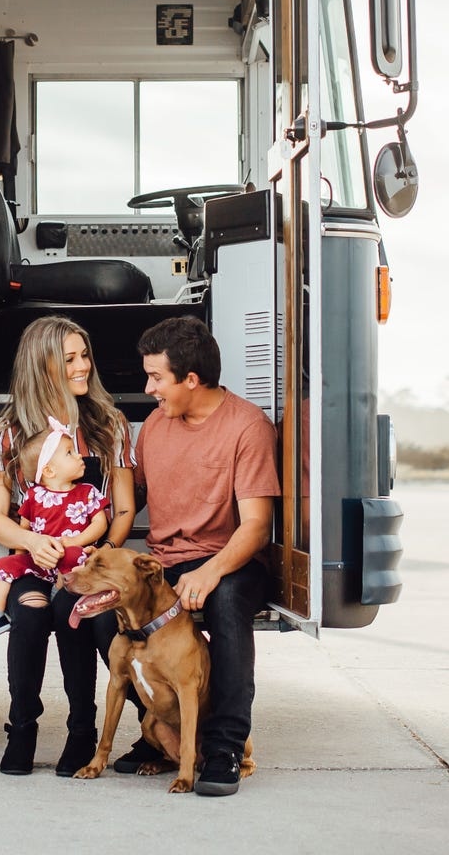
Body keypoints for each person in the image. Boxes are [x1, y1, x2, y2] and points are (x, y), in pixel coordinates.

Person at [122, 315, 279, 797]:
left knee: (227, 604)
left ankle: (226, 745)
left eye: (156, 378)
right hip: (166, 563)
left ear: (191, 380)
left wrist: (210, 573)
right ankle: (161, 728)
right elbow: (135, 498)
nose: (149, 389)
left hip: (229, 559)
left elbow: (256, 525)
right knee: (90, 611)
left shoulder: (246, 426)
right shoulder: (155, 424)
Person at [0, 315, 135, 777]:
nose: (82, 366)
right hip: (34, 562)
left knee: (77, 612)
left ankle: (82, 731)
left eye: (84, 355)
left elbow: (123, 511)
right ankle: (22, 728)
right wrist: (35, 541)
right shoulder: (11, 432)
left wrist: (98, 552)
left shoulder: (109, 425)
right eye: (69, 359)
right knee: (29, 615)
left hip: (89, 562)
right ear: (42, 367)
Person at [0, 419, 109, 645]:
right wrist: (19, 558)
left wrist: (75, 541)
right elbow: (24, 530)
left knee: (76, 556)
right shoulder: (34, 495)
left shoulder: (87, 492)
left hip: (70, 559)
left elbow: (99, 524)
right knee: (2, 566)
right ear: (48, 469)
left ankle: (58, 597)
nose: (78, 456)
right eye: (69, 453)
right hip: (39, 561)